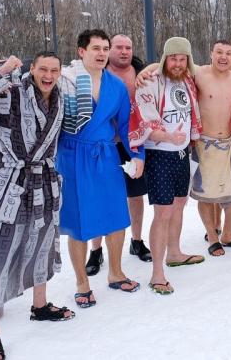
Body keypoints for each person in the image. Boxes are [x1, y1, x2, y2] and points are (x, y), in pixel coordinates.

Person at [0, 53, 73, 360]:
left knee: (43, 244)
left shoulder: (61, 99)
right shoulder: (10, 93)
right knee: (0, 250)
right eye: (43, 69)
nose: (48, 75)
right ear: (32, 69)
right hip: (12, 183)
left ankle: (39, 305)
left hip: (46, 181)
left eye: (54, 70)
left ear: (60, 72)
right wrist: (0, 73)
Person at [139, 40, 231, 257]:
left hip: (229, 142)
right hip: (204, 142)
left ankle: (228, 233)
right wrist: (145, 70)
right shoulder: (199, 73)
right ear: (211, 53)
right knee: (205, 194)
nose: (223, 57)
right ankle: (212, 235)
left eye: (228, 53)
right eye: (219, 52)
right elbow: (165, 64)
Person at [58, 29, 145, 309]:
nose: (102, 53)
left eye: (105, 48)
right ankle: (82, 282)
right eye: (95, 48)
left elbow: (126, 125)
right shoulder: (65, 82)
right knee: (78, 221)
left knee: (117, 216)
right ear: (81, 51)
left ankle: (116, 272)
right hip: (72, 156)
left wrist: (137, 154)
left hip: (106, 155)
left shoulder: (116, 86)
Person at [130, 37, 204, 294]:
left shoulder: (187, 81)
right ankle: (157, 273)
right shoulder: (150, 81)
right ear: (165, 59)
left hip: (182, 153)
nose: (178, 63)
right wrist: (168, 137)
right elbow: (146, 122)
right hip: (160, 154)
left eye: (182, 58)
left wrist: (185, 141)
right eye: (173, 58)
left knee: (179, 205)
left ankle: (174, 252)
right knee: (162, 212)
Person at [87, 34, 150, 276]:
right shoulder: (96, 73)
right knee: (100, 196)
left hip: (133, 141)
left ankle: (136, 240)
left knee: (135, 195)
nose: (124, 51)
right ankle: (96, 249)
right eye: (118, 47)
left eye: (128, 47)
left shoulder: (140, 71)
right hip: (103, 144)